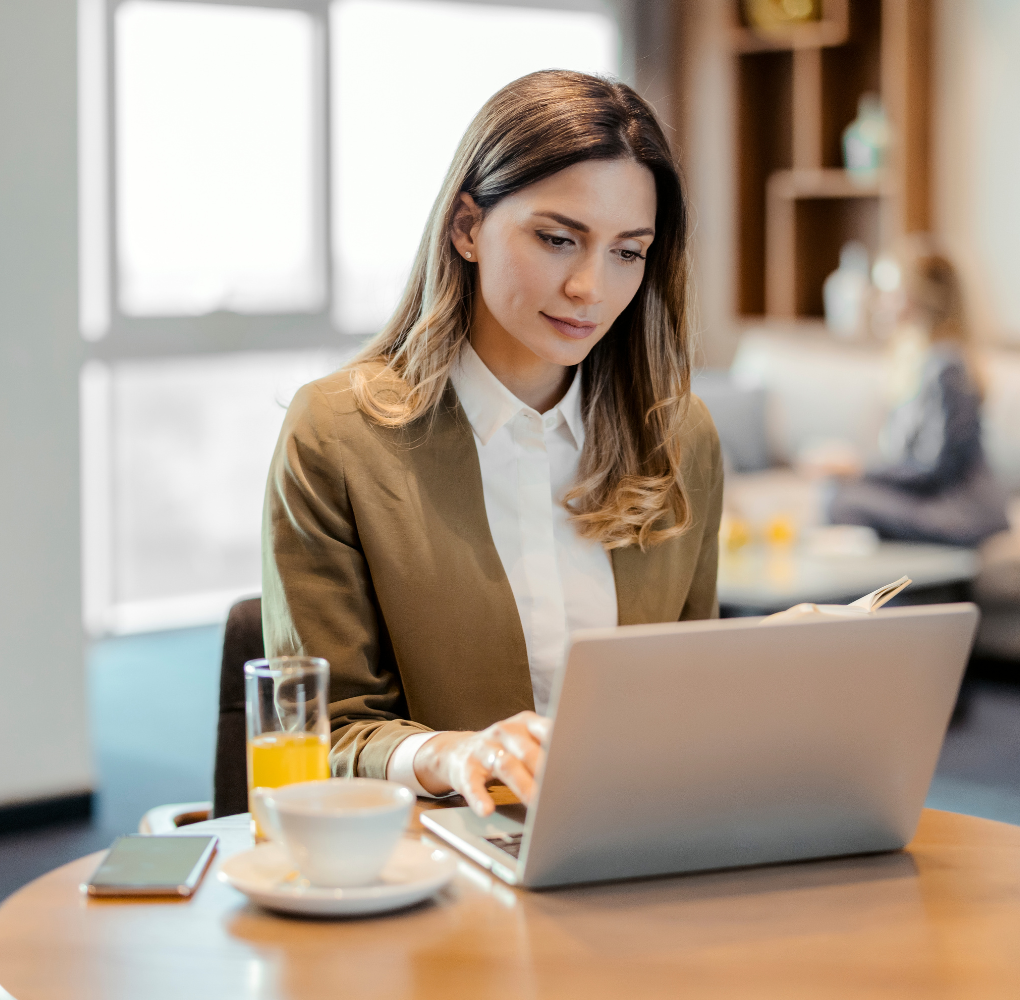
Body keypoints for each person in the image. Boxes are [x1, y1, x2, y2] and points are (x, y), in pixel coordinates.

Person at [261, 71, 723, 818]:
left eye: (627, 253)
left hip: (638, 844)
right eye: (557, 239)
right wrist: (454, 753)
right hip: (430, 860)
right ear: (467, 227)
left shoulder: (678, 437)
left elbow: (690, 698)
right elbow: (320, 732)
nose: (589, 288)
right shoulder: (337, 436)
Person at [825, 236, 1010, 547]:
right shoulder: (916, 362)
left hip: (961, 511)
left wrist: (857, 469)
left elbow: (934, 469)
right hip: (935, 501)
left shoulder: (947, 366)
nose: (878, 301)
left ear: (920, 297)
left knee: (840, 500)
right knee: (836, 495)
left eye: (889, 292)